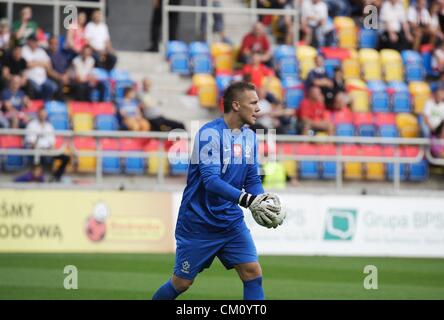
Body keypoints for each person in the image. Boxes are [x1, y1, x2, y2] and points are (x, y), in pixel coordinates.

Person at [151, 82, 285, 300]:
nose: (258, 109)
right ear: (236, 105)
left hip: (230, 221)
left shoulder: (250, 137)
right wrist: (248, 201)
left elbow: (251, 178)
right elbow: (211, 181)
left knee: (253, 273)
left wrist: (261, 200)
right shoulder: (209, 134)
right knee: (181, 283)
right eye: (253, 103)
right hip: (198, 222)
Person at [25, 108, 70, 182]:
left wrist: (51, 148)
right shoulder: (32, 125)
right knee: (44, 158)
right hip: (37, 150)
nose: (43, 115)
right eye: (41, 113)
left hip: (49, 150)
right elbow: (31, 141)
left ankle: (56, 176)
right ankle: (41, 178)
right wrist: (40, 148)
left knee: (66, 158)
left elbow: (52, 141)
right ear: (38, 114)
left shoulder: (49, 126)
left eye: (44, 114)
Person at [21, 34, 58, 100]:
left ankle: (45, 104)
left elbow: (48, 64)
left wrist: (35, 62)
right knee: (37, 89)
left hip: (43, 78)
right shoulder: (24, 49)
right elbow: (27, 64)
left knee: (53, 87)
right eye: (33, 41)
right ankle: (36, 104)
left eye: (35, 41)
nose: (34, 43)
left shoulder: (41, 51)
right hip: (31, 77)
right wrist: (42, 63)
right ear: (28, 41)